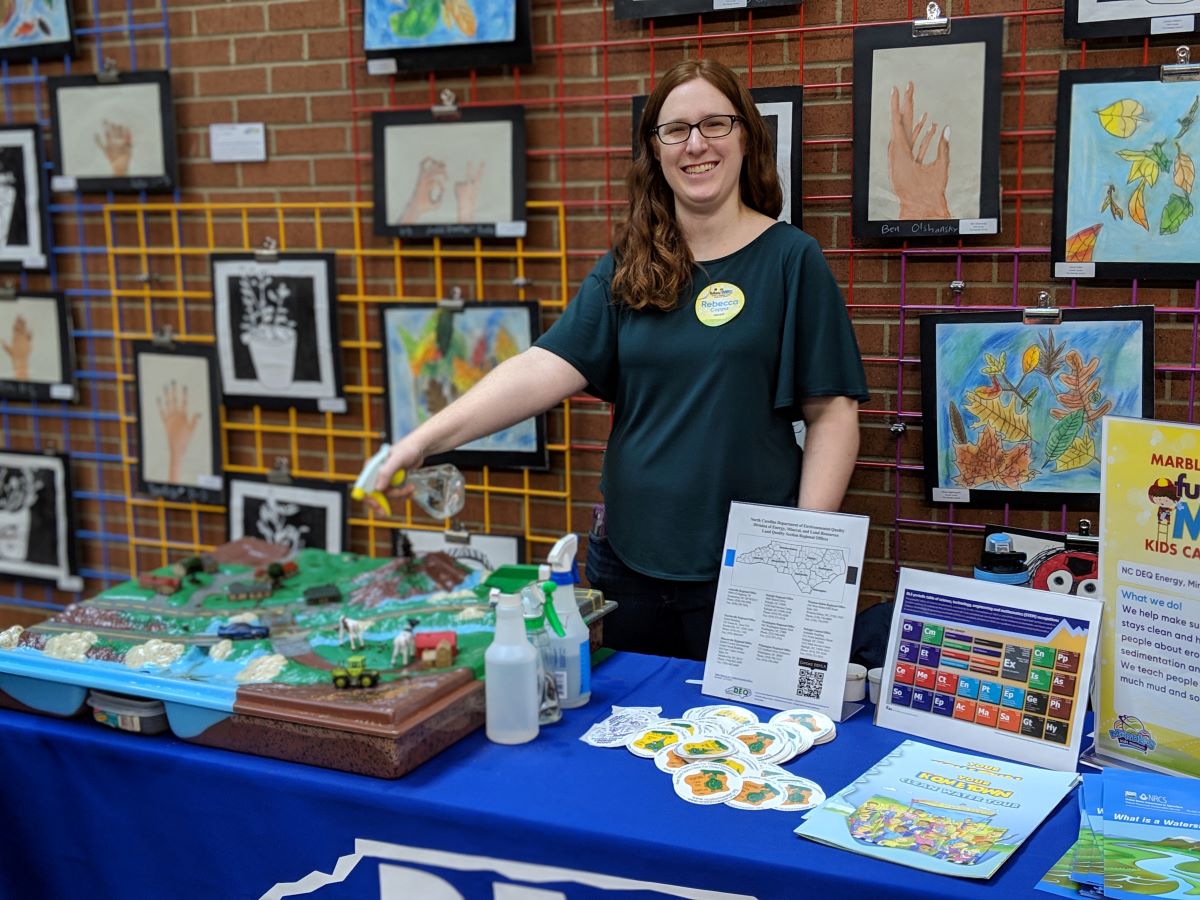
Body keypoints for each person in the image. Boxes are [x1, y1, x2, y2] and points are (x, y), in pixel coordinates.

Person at [370, 58, 868, 661]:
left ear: (745, 136)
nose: (696, 145)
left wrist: (801, 548)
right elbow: (540, 367)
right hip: (626, 564)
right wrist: (422, 441)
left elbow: (833, 413)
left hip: (752, 570)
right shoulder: (633, 264)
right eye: (675, 130)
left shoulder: (791, 259)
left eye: (714, 124)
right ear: (655, 151)